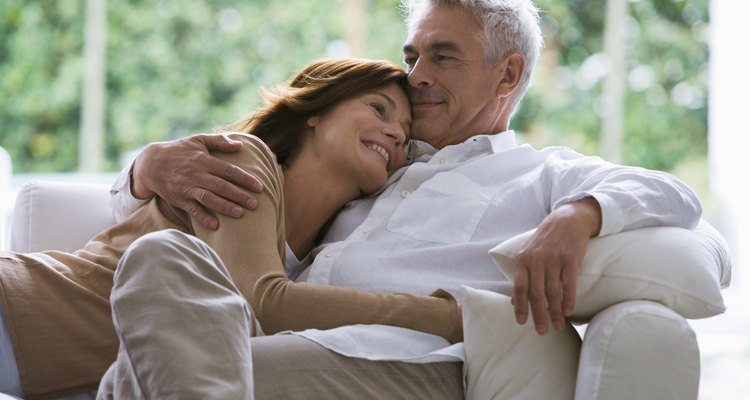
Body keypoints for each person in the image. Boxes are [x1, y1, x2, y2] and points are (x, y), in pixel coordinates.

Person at [108, 0, 702, 397]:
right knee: (160, 259)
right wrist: (144, 164)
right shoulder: (377, 165)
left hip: (395, 358)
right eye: (413, 55)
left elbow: (674, 195)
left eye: (443, 56)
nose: (415, 76)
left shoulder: (539, 172)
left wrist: (579, 214)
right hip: (267, 334)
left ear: (507, 74)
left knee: (155, 378)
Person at [0, 58, 466, 400]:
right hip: (21, 310)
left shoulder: (329, 251)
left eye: (406, 133)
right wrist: (449, 317)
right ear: (316, 111)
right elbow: (266, 302)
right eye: (379, 109)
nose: (395, 135)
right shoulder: (245, 162)